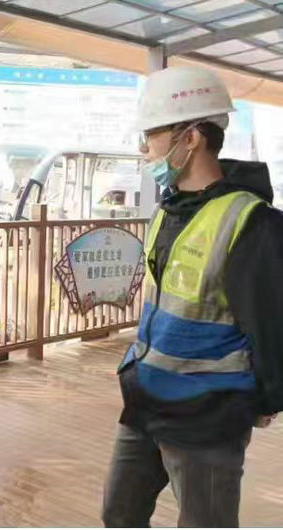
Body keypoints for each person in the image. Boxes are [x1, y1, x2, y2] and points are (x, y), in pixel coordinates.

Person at [102, 65, 283, 527]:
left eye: (152, 134)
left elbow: (271, 325)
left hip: (207, 415)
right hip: (146, 399)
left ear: (192, 137)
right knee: (119, 515)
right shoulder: (167, 211)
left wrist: (265, 399)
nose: (144, 147)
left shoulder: (251, 222)